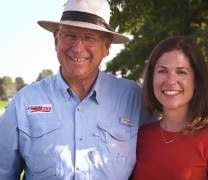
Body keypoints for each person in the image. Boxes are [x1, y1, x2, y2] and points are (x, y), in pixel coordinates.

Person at [0, 0, 145, 179]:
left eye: (89, 38)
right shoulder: (24, 102)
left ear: (106, 47)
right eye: (70, 35)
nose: (77, 48)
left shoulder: (132, 98)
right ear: (56, 40)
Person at [132, 36, 208, 180]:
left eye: (181, 72)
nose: (171, 81)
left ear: (196, 81)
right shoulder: (141, 136)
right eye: (162, 71)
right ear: (151, 78)